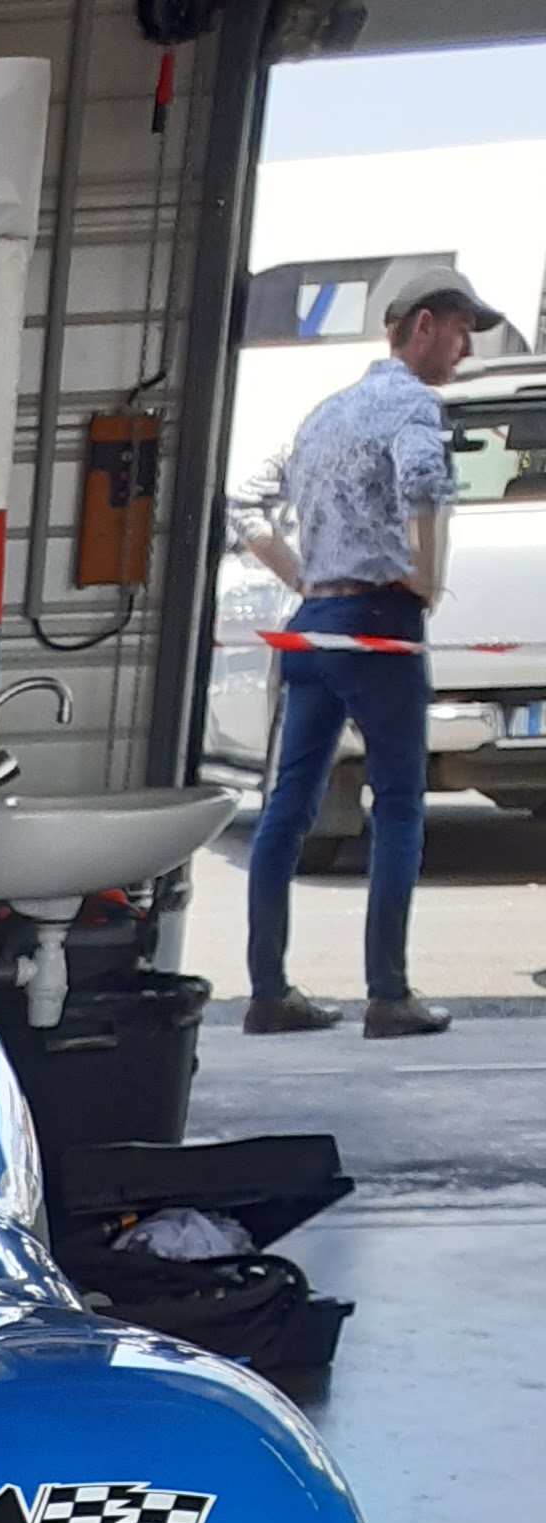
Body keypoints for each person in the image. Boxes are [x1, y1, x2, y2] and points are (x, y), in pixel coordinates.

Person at [238, 257, 511, 1038]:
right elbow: (423, 481)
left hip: (314, 620)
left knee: (287, 809)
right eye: (461, 332)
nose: (465, 350)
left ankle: (267, 992)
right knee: (397, 806)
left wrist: (301, 573)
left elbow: (245, 504)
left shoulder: (323, 414)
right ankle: (388, 994)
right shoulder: (413, 406)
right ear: (424, 326)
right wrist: (427, 575)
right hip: (380, 625)